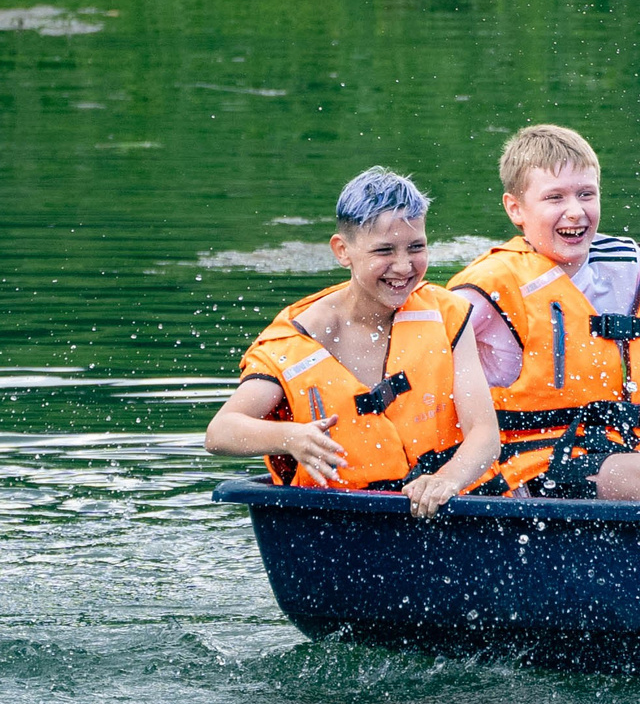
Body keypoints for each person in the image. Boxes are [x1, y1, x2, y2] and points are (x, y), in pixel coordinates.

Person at [448, 124, 640, 504]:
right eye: (555, 198)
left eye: (586, 194)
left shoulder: (634, 272)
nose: (575, 212)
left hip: (633, 459)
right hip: (528, 468)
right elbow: (417, 356)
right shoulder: (487, 288)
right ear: (515, 208)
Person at [206, 167, 503, 519]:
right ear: (342, 250)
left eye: (416, 247)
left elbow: (484, 433)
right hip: (340, 519)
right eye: (384, 251)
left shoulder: (448, 314)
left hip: (447, 510)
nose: (404, 266)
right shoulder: (296, 340)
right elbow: (220, 432)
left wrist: (445, 480)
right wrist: (290, 437)